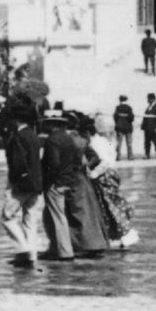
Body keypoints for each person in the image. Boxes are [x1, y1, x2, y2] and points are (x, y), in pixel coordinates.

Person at [0, 98, 66, 266]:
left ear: (16, 119)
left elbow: (17, 163)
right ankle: (32, 254)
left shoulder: (18, 137)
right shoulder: (34, 137)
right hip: (35, 185)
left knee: (7, 217)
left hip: (20, 184)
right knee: (30, 221)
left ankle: (23, 250)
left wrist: (15, 181)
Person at [40, 110, 110, 259]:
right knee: (83, 213)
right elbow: (95, 158)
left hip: (69, 180)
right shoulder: (80, 138)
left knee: (66, 214)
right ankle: (90, 244)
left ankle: (66, 248)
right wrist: (84, 167)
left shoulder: (68, 139)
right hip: (80, 179)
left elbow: (56, 163)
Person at [80, 112, 138, 248]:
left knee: (110, 207)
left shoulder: (95, 143)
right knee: (110, 206)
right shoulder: (105, 142)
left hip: (104, 176)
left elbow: (104, 162)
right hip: (111, 175)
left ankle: (125, 235)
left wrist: (94, 174)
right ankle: (117, 236)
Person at [112, 94, 136, 161]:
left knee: (119, 144)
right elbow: (132, 118)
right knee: (129, 144)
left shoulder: (117, 108)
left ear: (120, 100)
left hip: (120, 127)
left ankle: (118, 157)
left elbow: (115, 117)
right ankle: (130, 157)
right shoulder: (129, 108)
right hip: (128, 127)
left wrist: (119, 122)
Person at [142, 93, 156, 158]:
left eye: (148, 99)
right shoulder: (148, 107)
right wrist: (143, 126)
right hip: (147, 128)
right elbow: (145, 117)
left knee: (155, 141)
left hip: (153, 128)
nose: (147, 100)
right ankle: (147, 154)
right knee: (147, 142)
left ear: (152, 99)